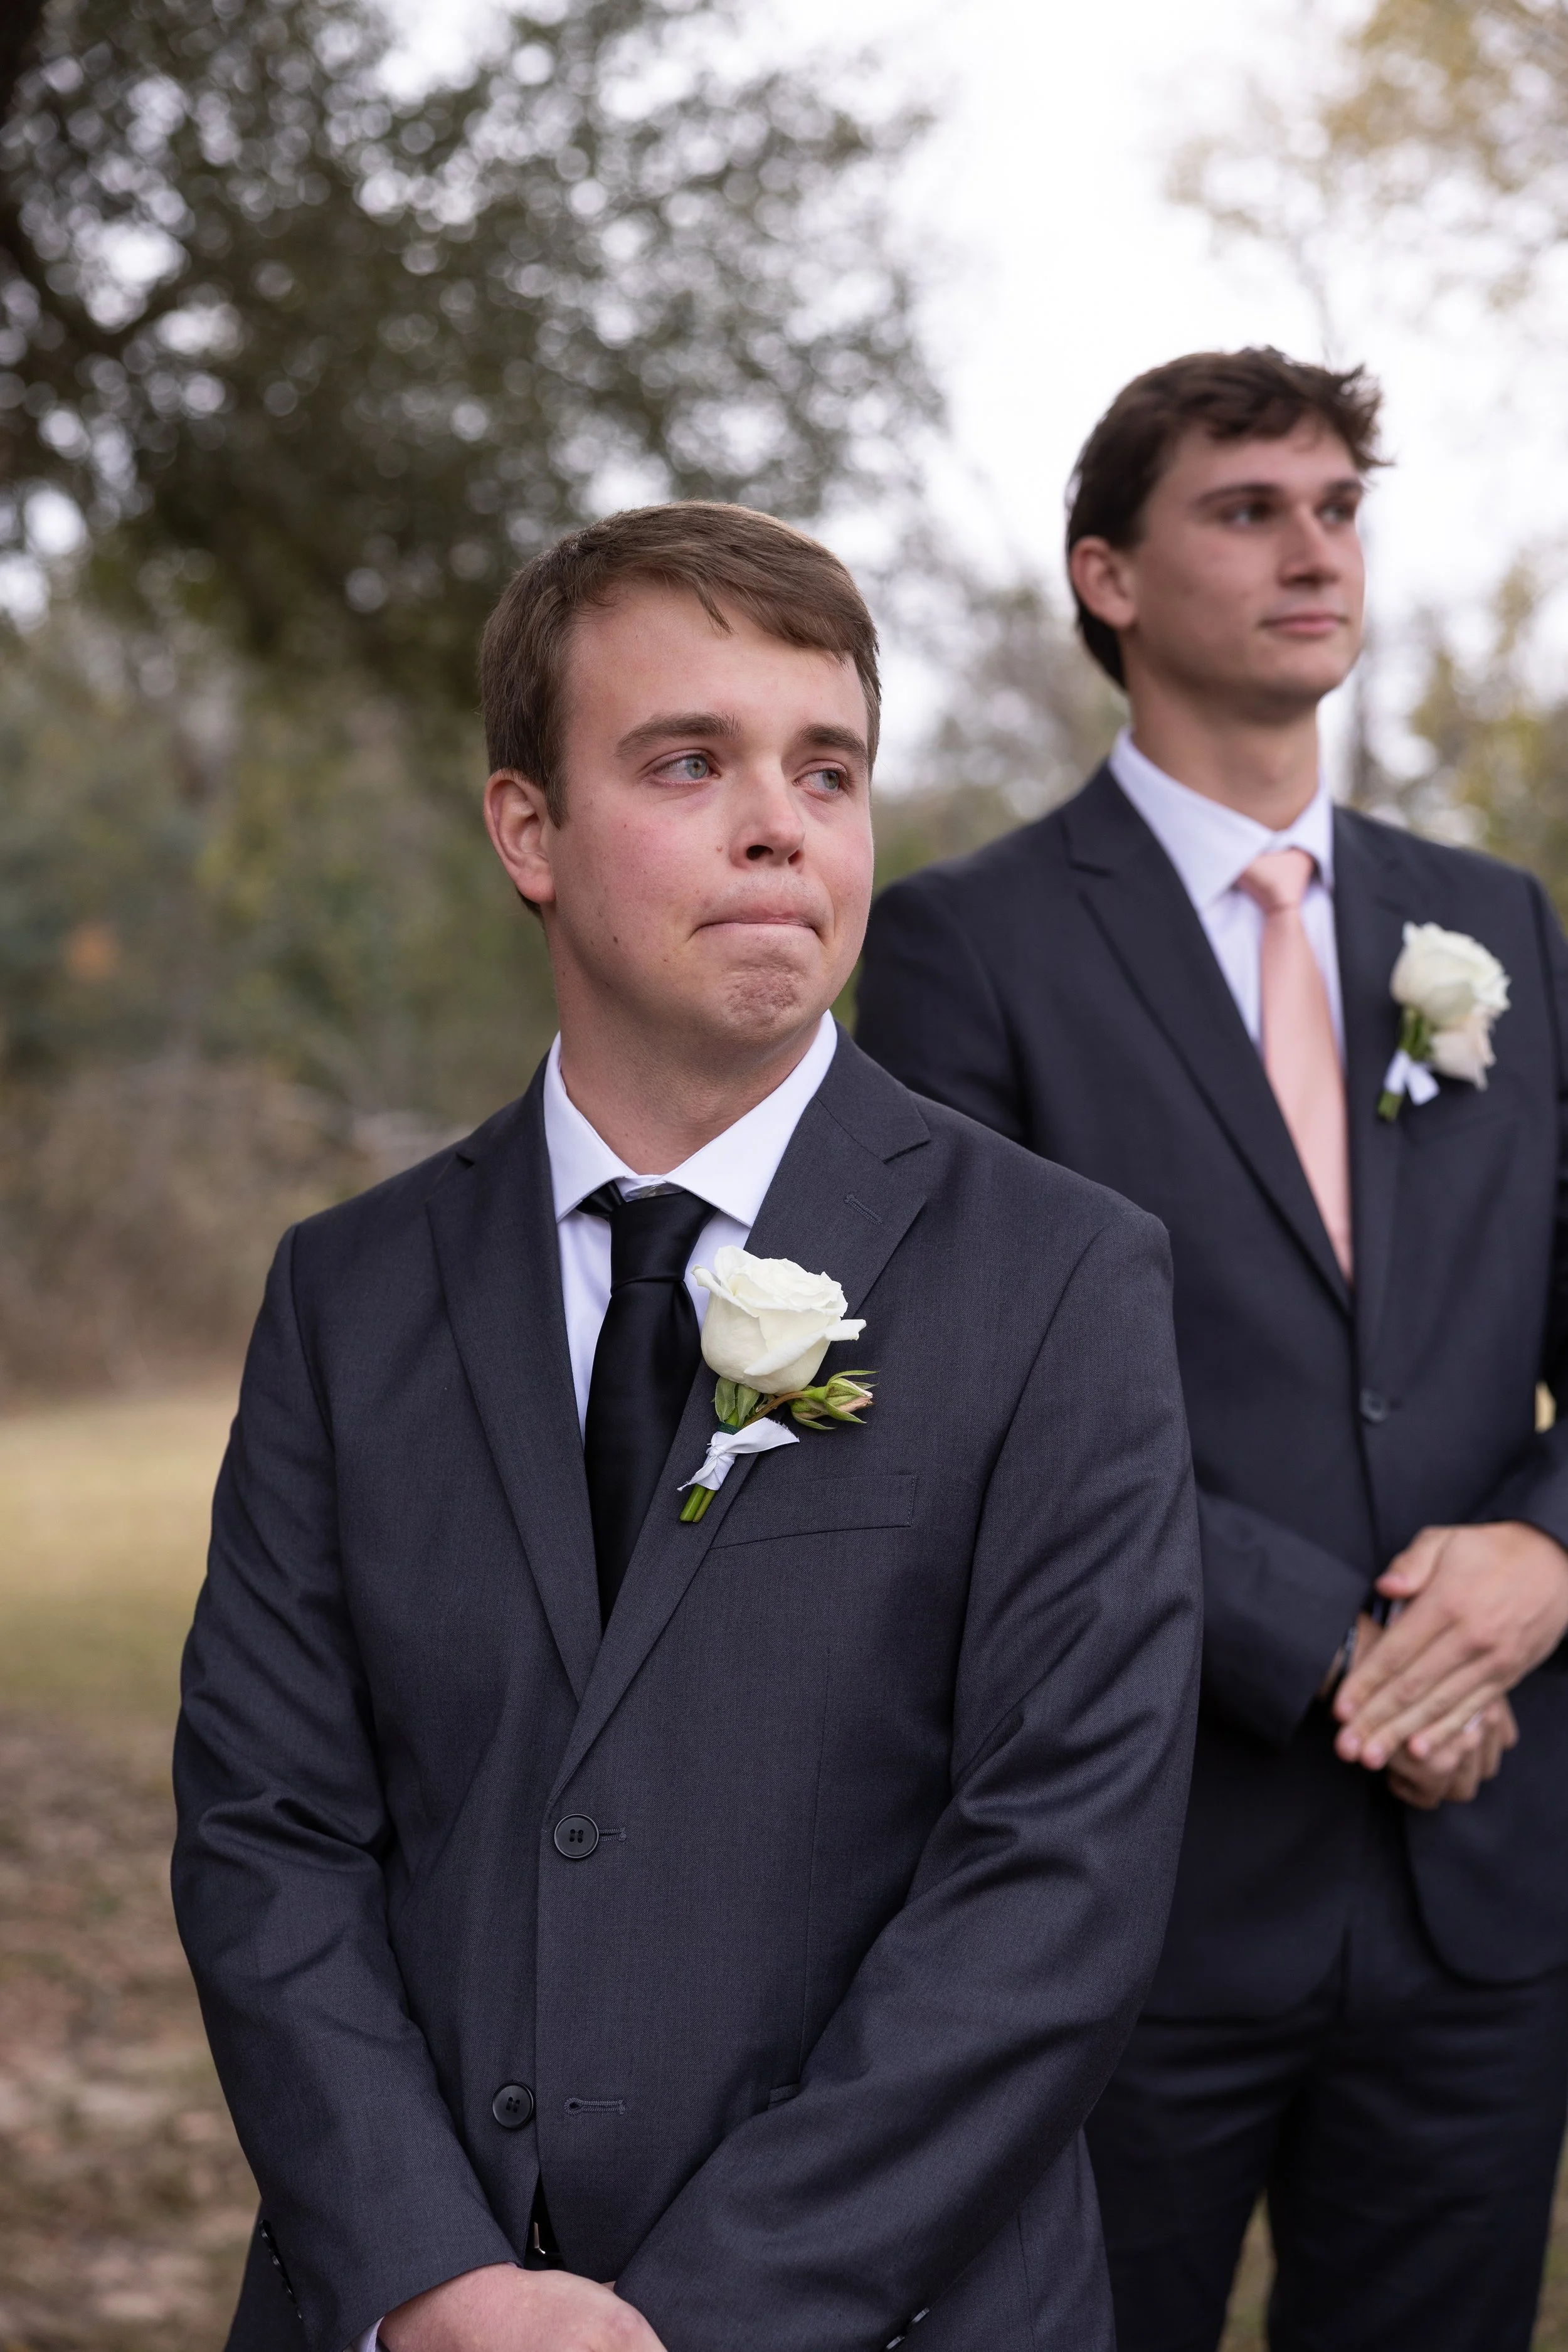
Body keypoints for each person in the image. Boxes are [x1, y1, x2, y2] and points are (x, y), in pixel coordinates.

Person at [172, 501, 1202, 2352]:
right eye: (687, 759)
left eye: (827, 769)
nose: (776, 821)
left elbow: (1057, 1879)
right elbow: (266, 1832)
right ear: (527, 830)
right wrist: (431, 2277)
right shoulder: (347, 1292)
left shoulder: (1063, 1280)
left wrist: (698, 2322)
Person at [856, 347, 1568, 2352]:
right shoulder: (963, 947)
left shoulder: (1486, 920)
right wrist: (1348, 1652)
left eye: (1337, 506)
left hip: (1480, 1889)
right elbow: (953, 1395)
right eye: (1246, 510)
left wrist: (1538, 1560)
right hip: (1131, 1886)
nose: (1311, 548)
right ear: (1107, 576)